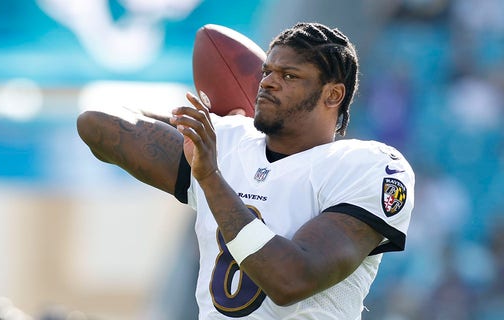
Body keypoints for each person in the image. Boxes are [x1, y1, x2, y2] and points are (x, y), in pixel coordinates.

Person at [77, 22, 414, 320]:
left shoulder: (367, 166)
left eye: (288, 76)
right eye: (266, 71)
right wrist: (198, 121)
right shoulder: (229, 140)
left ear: (333, 94)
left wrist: (210, 178)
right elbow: (96, 123)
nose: (267, 83)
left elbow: (290, 280)